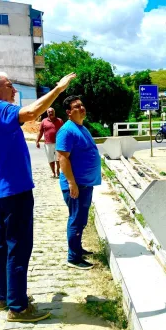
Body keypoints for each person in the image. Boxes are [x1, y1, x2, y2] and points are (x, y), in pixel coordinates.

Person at [0, 71, 76, 322]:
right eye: (10, 85)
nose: (14, 90)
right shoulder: (0, 108)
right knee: (18, 248)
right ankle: (18, 307)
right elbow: (31, 113)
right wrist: (59, 89)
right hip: (15, 191)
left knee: (1, 246)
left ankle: (4, 297)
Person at [56, 95, 101, 270]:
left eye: (82, 105)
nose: (81, 108)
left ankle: (78, 248)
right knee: (76, 219)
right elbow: (62, 158)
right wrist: (71, 183)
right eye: (76, 106)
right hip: (76, 186)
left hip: (85, 184)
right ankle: (73, 258)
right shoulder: (67, 130)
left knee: (81, 219)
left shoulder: (81, 127)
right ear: (68, 112)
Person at [36, 107, 64, 178]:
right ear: (47, 113)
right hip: (48, 143)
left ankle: (58, 170)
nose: (50, 113)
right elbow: (40, 132)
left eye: (52, 111)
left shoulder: (60, 121)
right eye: (49, 112)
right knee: (50, 158)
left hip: (58, 143)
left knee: (58, 158)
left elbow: (64, 131)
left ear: (54, 112)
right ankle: (53, 172)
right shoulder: (44, 121)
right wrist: (37, 141)